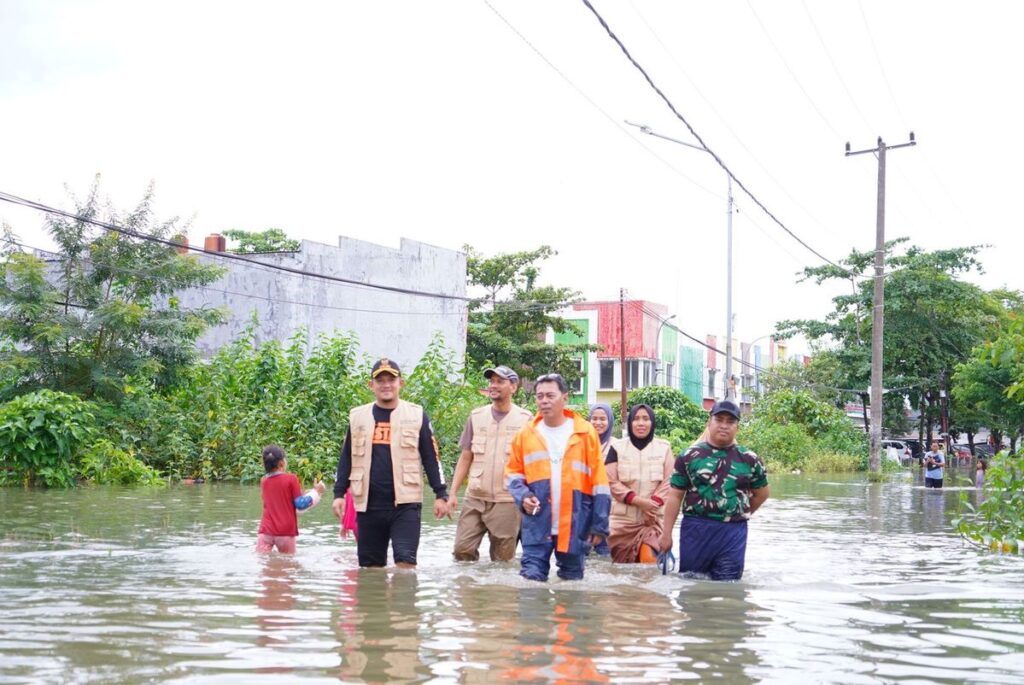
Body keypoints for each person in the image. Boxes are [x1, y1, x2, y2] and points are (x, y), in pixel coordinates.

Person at [332, 358, 450, 568]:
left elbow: (432, 457)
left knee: (405, 564)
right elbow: (346, 457)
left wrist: (441, 494)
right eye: (380, 380)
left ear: (400, 383)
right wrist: (339, 494)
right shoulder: (357, 417)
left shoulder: (416, 415)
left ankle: (401, 602)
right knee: (370, 569)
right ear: (372, 385)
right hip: (368, 505)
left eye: (391, 380)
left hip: (406, 504)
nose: (386, 384)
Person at [505, 373, 611, 581]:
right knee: (531, 584)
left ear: (565, 398)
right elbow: (512, 474)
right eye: (539, 396)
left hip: (576, 522)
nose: (544, 401)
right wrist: (523, 496)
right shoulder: (525, 434)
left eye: (550, 396)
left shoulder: (585, 433)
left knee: (572, 591)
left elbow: (600, 482)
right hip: (537, 522)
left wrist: (599, 525)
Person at [658, 399, 769, 581]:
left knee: (729, 587)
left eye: (730, 421)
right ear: (709, 422)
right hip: (695, 530)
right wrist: (666, 535)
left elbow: (762, 494)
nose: (724, 426)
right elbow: (675, 497)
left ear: (737, 427)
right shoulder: (689, 456)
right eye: (719, 420)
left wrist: (739, 512)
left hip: (733, 533)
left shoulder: (749, 459)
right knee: (692, 585)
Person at [449, 365, 533, 562]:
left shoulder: (525, 420)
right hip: (475, 497)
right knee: (462, 550)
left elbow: (532, 464)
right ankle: (468, 591)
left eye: (500, 382)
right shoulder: (476, 416)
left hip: (507, 500)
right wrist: (452, 493)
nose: (493, 386)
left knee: (502, 561)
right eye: (491, 381)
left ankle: (496, 593)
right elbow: (466, 457)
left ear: (513, 387)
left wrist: (529, 496)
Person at [605, 404, 674, 564]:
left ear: (652, 422)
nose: (641, 423)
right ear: (630, 423)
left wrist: (652, 506)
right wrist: (639, 502)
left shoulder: (664, 448)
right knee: (622, 576)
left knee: (648, 562)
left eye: (645, 419)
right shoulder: (617, 447)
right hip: (622, 523)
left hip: (653, 520)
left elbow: (669, 481)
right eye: (636, 419)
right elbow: (611, 482)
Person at [256, 444, 325, 553]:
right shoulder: (291, 479)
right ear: (282, 463)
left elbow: (276, 501)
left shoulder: (263, 481)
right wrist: (316, 492)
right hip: (285, 532)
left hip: (265, 531)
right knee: (288, 564)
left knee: (263, 564)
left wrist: (304, 494)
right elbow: (300, 505)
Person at [587, 403, 615, 557]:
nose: (598, 422)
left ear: (610, 421)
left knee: (605, 556)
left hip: (608, 512)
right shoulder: (580, 443)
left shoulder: (617, 446)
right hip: (584, 511)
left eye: (603, 419)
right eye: (594, 418)